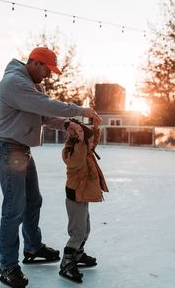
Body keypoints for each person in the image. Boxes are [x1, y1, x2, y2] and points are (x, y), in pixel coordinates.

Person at [0, 46, 100, 288]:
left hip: (22, 149)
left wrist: (67, 124)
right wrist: (79, 111)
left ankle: (32, 247)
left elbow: (43, 116)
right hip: (9, 149)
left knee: (33, 200)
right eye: (47, 70)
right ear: (35, 63)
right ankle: (8, 266)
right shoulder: (14, 82)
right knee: (13, 207)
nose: (49, 76)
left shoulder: (33, 85)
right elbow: (45, 105)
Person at [59, 118, 109, 283]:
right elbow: (77, 161)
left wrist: (95, 128)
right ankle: (66, 262)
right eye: (78, 131)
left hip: (84, 193)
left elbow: (92, 141)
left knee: (85, 228)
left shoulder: (86, 147)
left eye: (83, 133)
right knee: (78, 231)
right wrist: (80, 140)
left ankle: (78, 255)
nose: (81, 135)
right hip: (75, 194)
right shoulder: (70, 149)